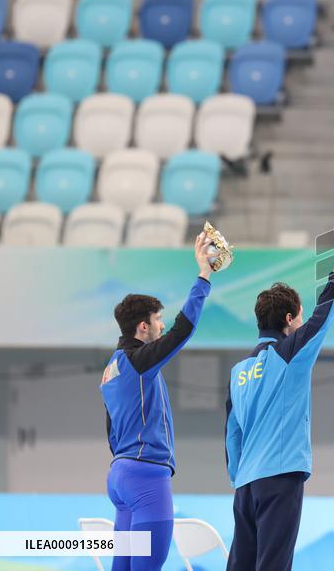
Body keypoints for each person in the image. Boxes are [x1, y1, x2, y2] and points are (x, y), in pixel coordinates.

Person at [225, 223, 334, 571]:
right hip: (280, 478)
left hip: (246, 486)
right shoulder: (289, 351)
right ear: (288, 318)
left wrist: (240, 476)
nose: (299, 324)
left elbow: (232, 434)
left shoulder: (238, 371)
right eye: (296, 318)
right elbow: (323, 316)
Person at [101, 232, 216, 570]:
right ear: (142, 327)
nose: (162, 326)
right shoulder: (139, 361)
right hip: (146, 479)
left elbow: (110, 428)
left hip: (119, 476)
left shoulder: (111, 368)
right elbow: (183, 329)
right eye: (157, 321)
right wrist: (204, 274)